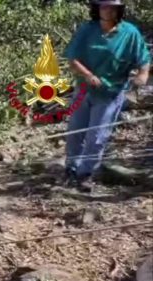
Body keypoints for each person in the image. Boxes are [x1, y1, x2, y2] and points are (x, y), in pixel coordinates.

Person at [63, 0, 150, 192]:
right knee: (75, 132)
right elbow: (72, 58)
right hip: (84, 89)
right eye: (103, 6)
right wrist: (88, 75)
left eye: (112, 7)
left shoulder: (129, 33)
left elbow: (143, 58)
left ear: (119, 10)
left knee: (97, 136)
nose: (107, 11)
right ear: (97, 9)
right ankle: (71, 169)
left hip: (111, 91)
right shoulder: (88, 30)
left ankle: (85, 174)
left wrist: (142, 75)